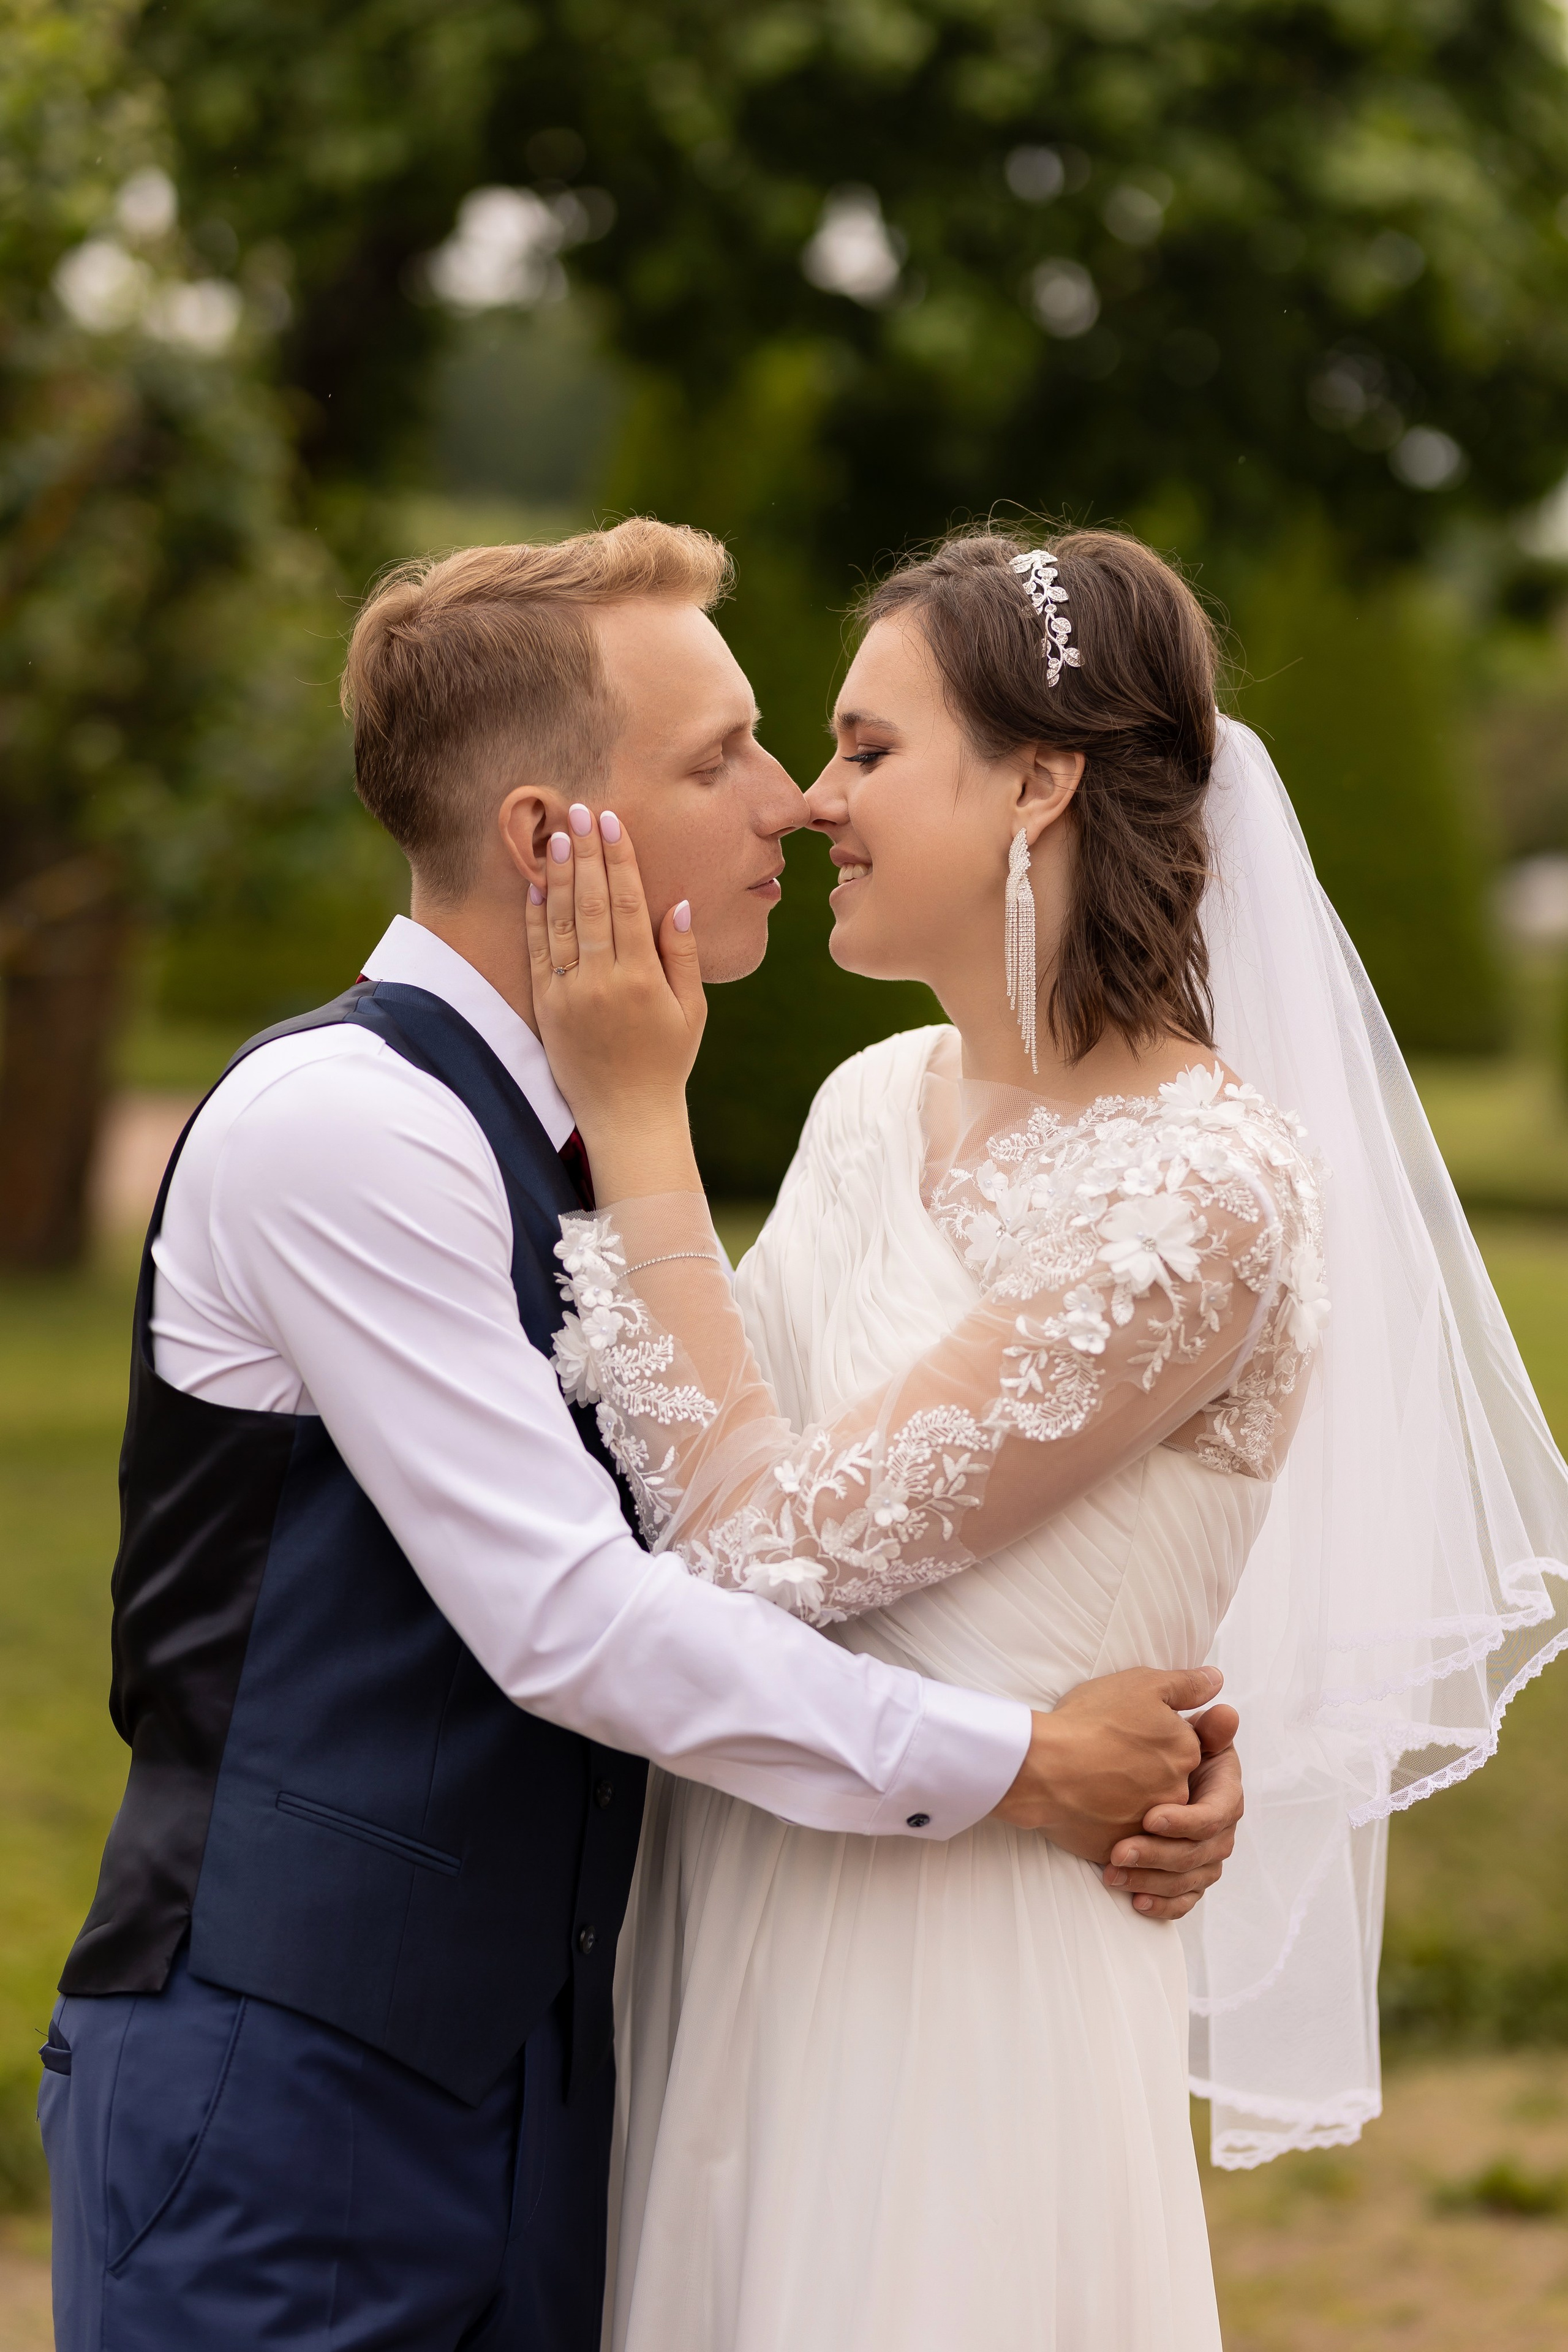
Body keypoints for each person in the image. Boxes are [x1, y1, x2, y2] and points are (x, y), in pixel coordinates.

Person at [38, 521, 1245, 2352]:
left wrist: (1175, 1741)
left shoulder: (611, 1135)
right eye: (722, 758)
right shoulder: (346, 1131)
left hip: (578, 2088)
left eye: (812, 746)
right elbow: (576, 1619)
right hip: (288, 2093)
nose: (787, 806)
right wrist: (1026, 1762)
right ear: (548, 838)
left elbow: (831, 1488)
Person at [529, 523, 1568, 2350]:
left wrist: (638, 1115)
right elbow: (674, 1453)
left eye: (865, 749)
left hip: (962, 1972)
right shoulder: (869, 1105)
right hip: (743, 1898)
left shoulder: (1203, 1193)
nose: (805, 805)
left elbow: (763, 1545)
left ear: (1039, 781)